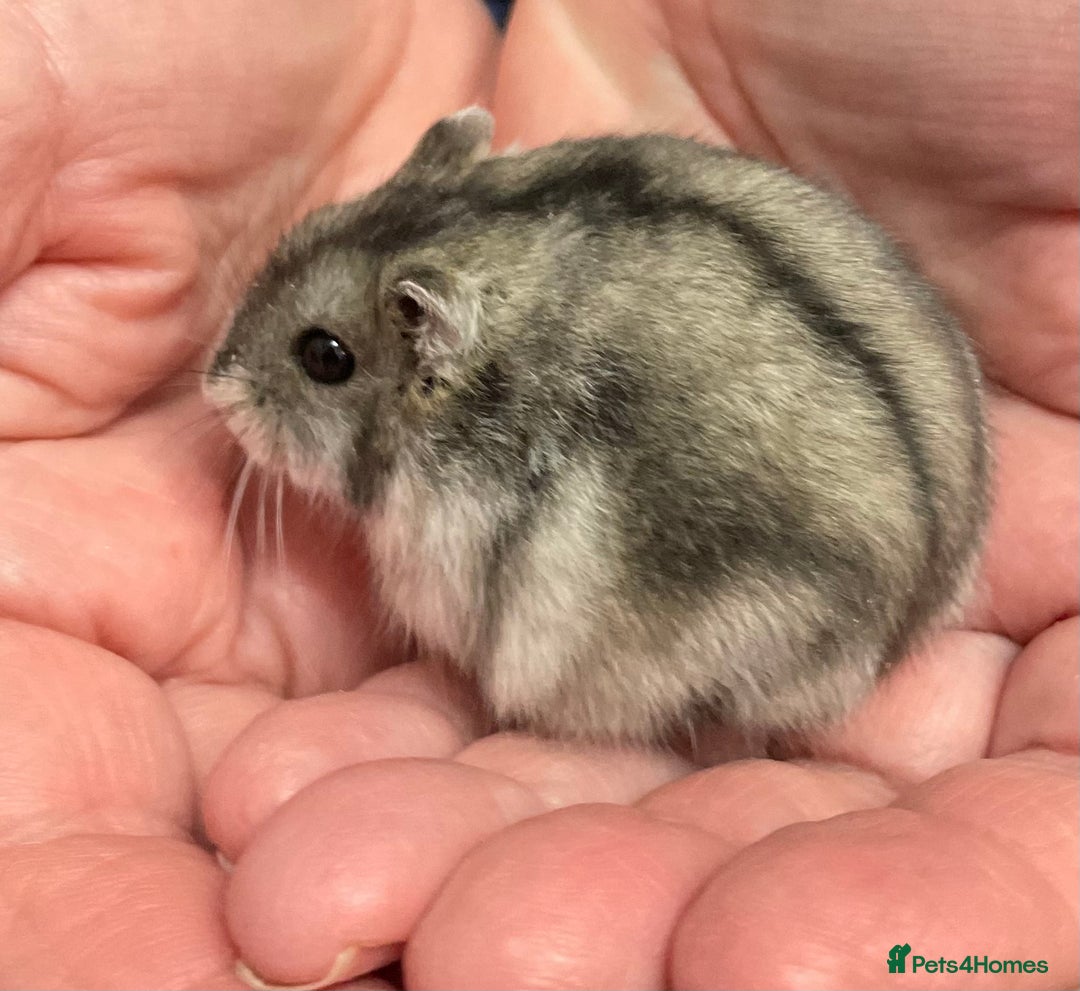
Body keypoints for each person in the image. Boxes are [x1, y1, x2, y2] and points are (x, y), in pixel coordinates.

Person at [0, 0, 1075, 987]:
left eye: (324, 357)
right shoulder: (511, 255)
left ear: (432, 344)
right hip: (896, 498)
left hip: (814, 575)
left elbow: (529, 608)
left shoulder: (486, 414)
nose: (232, 395)